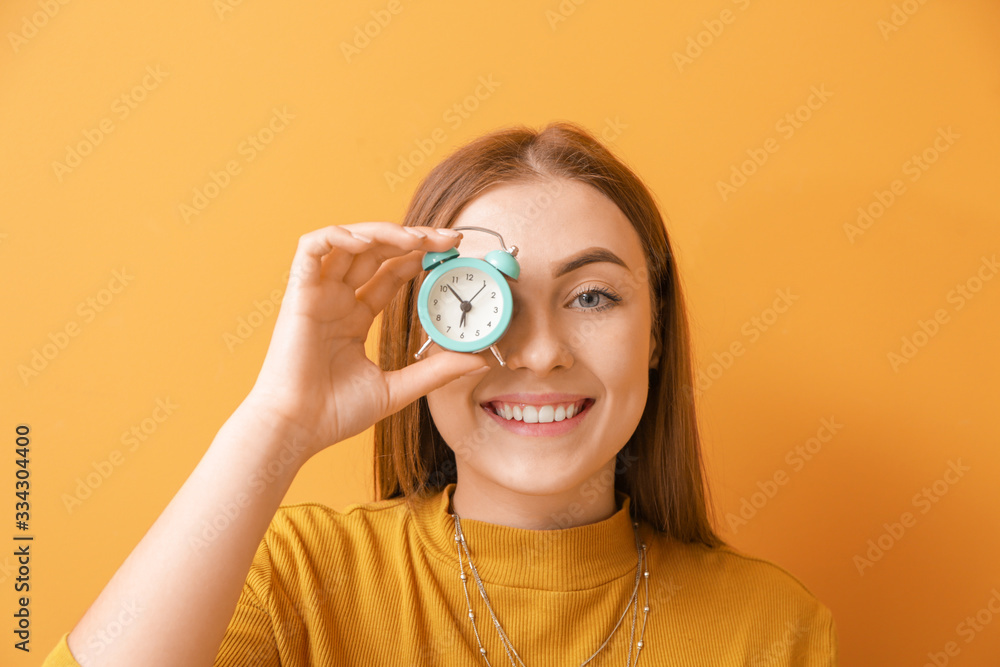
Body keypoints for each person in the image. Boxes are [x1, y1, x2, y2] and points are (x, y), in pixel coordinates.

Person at [42, 121, 838, 666]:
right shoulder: (301, 580)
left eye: (591, 296)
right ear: (425, 325)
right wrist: (278, 424)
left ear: (656, 331)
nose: (539, 352)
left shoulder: (773, 628)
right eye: (482, 298)